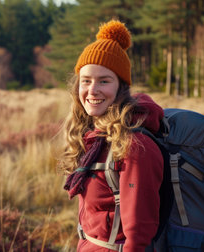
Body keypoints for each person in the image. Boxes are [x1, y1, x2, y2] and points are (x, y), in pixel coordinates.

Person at [60, 20, 165, 251]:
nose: (92, 90)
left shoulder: (134, 146)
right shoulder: (93, 139)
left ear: (121, 88)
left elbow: (139, 234)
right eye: (86, 81)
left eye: (104, 81)